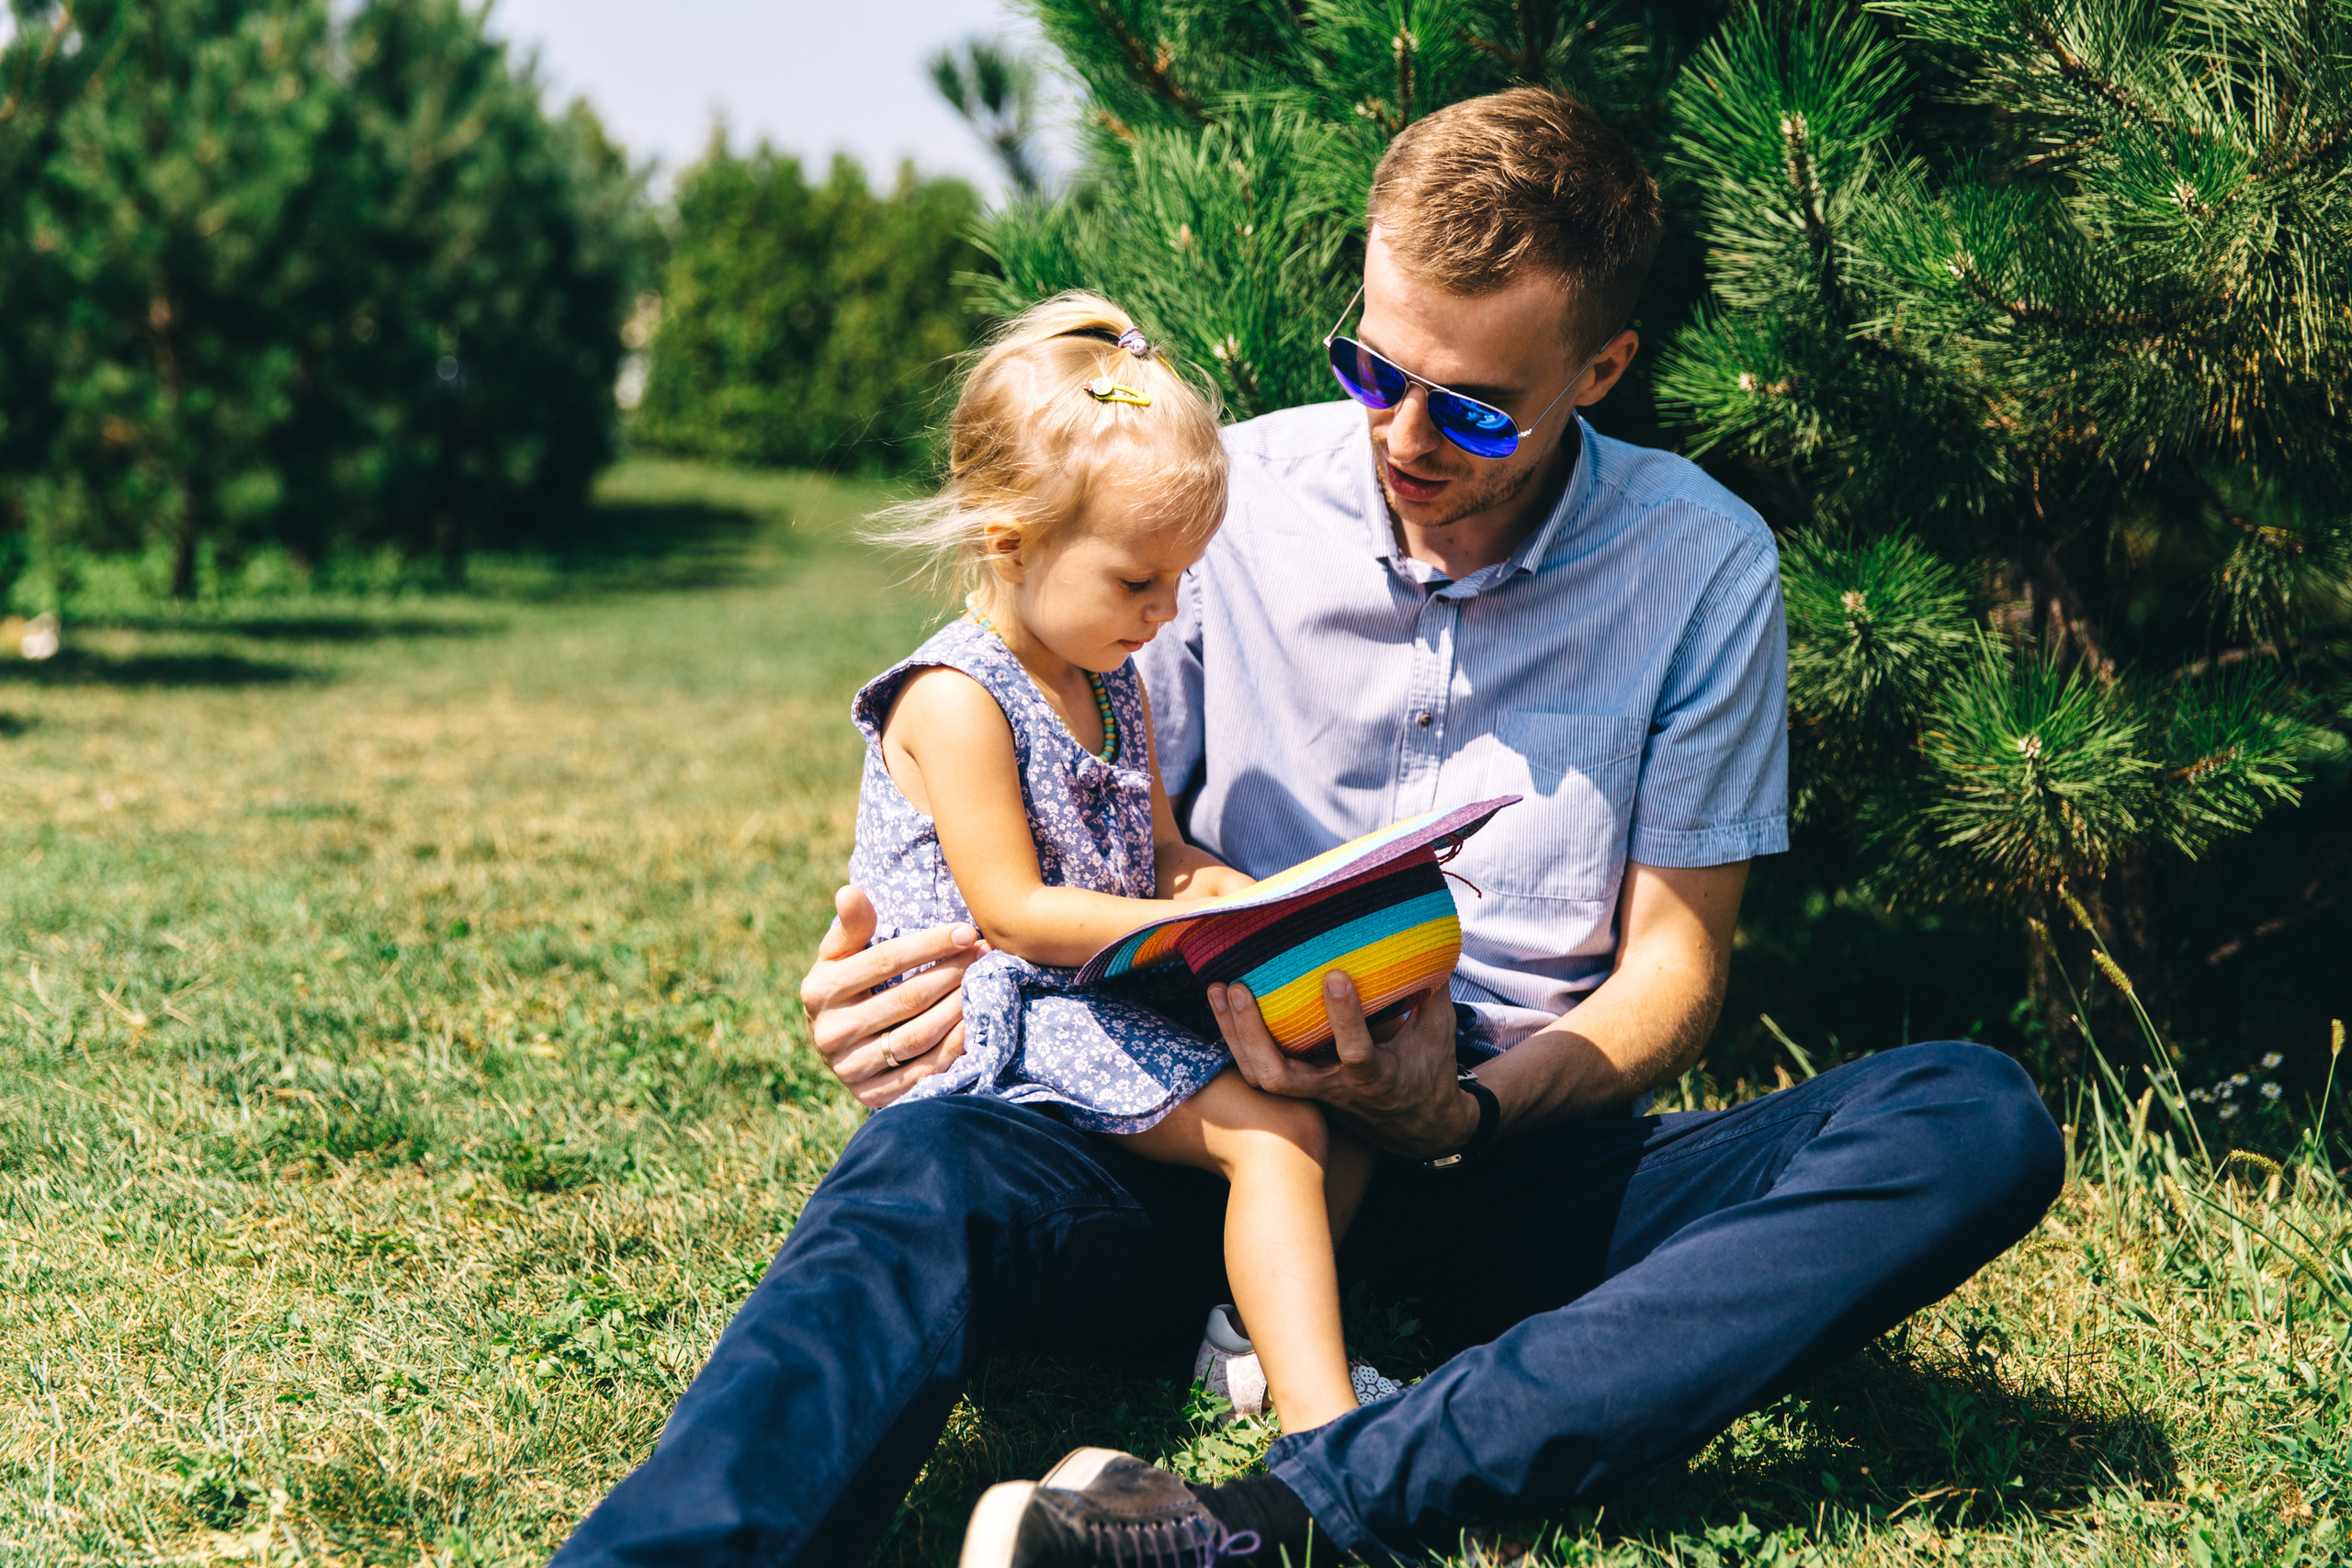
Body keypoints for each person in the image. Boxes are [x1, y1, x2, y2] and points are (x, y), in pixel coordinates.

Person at [550, 88, 2063, 1568]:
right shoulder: (1216, 503)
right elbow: (1083, 826)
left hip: (1504, 1158)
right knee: (922, 1171)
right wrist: (894, 989)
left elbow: (1674, 968)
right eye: (1373, 368)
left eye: (1475, 405)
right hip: (1202, 1141)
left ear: (1603, 366)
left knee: (1971, 1118)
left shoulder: (1701, 563)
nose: (1406, 436)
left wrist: (1459, 1113)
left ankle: (1313, 1501)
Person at [848, 290, 1403, 1438]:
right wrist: (1177, 940)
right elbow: (1007, 912)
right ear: (1010, 541)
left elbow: (1156, 853)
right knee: (1275, 1132)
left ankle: (1243, 1338)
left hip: (1096, 981)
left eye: (1183, 579)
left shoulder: (1111, 679)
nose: (1166, 610)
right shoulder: (956, 699)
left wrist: (1260, 905)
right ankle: (1325, 1429)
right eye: (1138, 582)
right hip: (1003, 1010)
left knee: (1332, 1099)